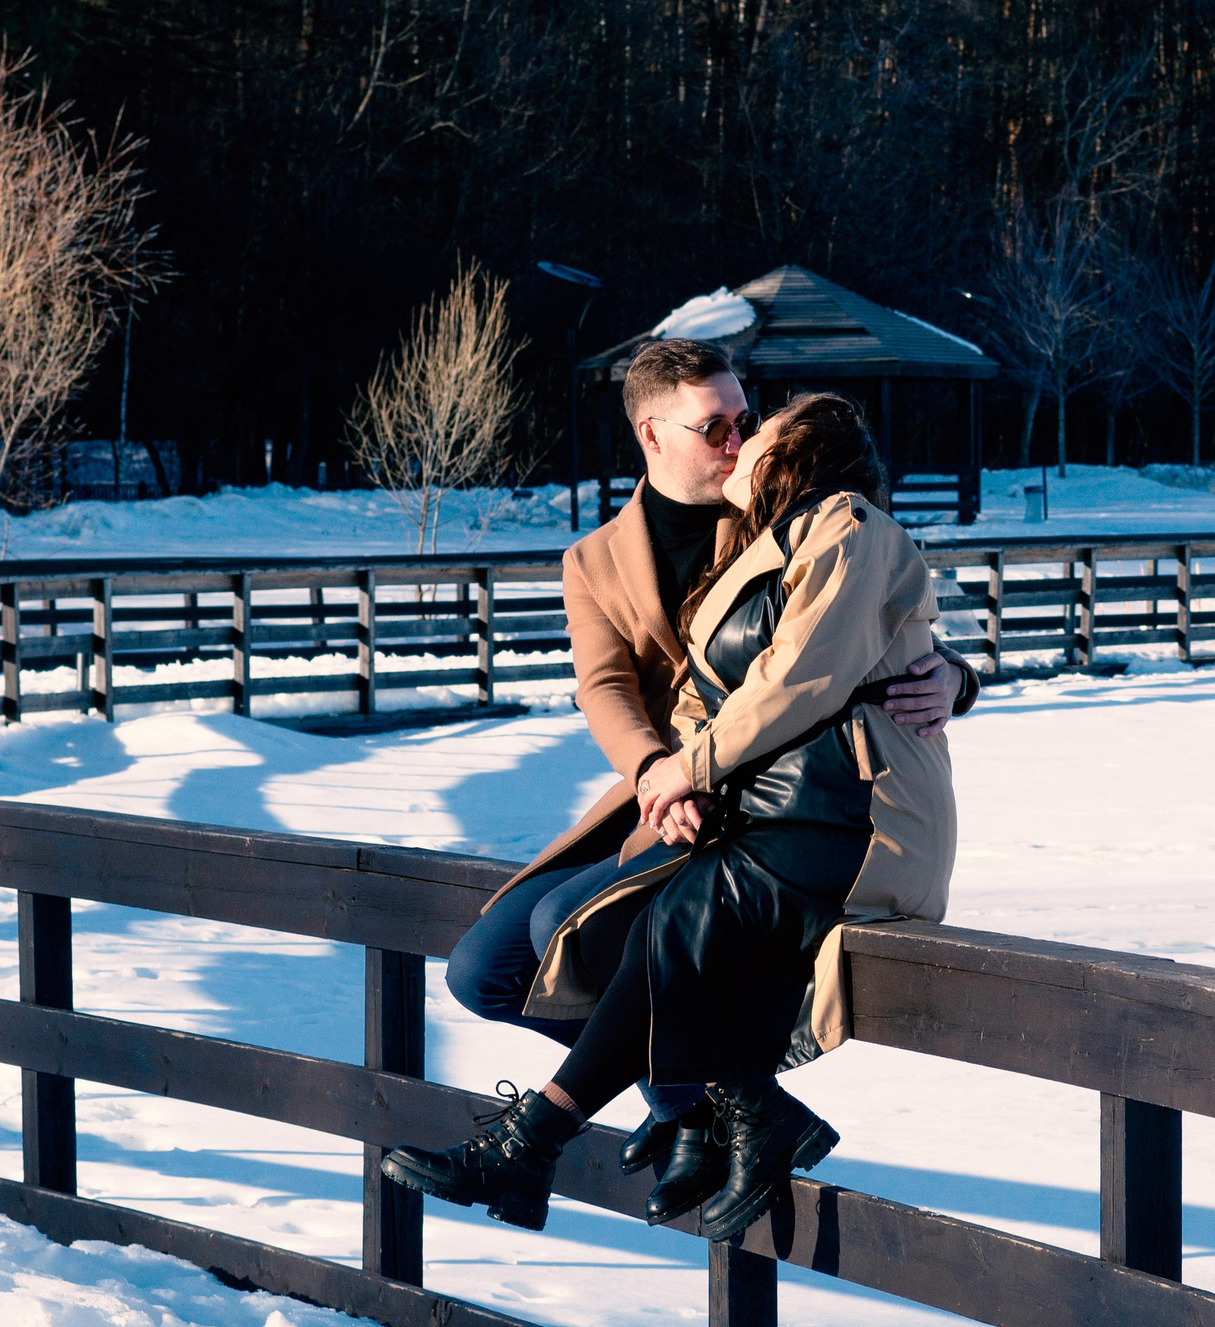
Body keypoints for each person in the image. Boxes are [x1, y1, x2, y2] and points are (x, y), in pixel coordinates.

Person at [386, 392, 958, 1241]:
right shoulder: (623, 553)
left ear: (790, 455)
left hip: (826, 808)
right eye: (716, 427)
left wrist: (954, 673)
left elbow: (821, 664)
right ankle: (711, 1107)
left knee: (624, 928)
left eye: (750, 425)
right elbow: (627, 689)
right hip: (728, 803)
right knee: (516, 958)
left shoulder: (829, 523)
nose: (737, 441)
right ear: (651, 432)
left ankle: (541, 1146)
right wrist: (666, 772)